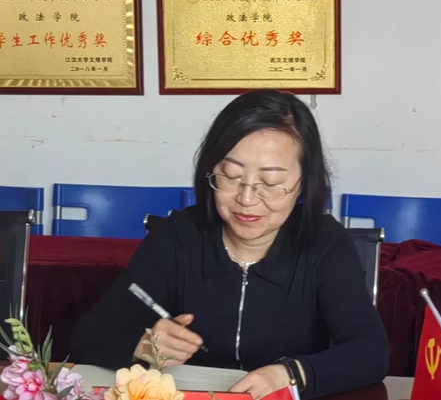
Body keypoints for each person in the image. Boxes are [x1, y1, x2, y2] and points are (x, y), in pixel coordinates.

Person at [70, 89, 389, 400]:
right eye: (231, 176)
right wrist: (141, 344)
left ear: (304, 181)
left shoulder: (324, 242)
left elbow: (370, 351)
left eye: (271, 183)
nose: (246, 199)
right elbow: (88, 337)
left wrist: (289, 374)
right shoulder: (177, 236)